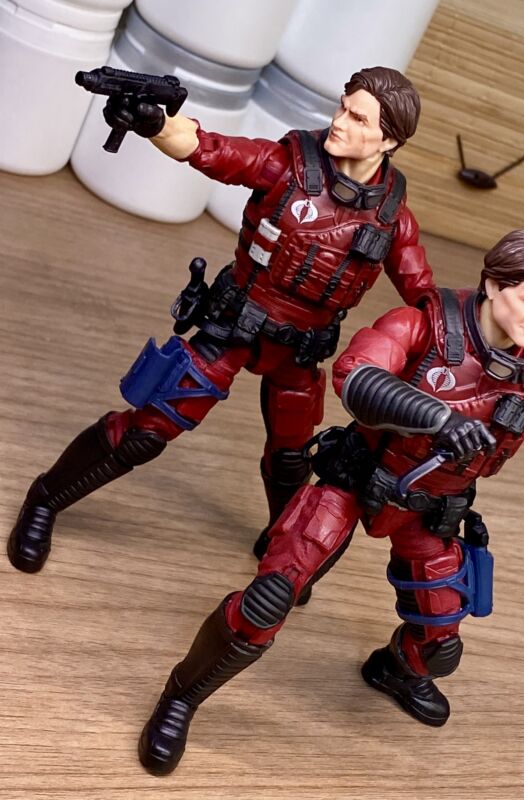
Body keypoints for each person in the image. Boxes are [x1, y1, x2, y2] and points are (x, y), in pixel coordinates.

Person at [136, 229, 524, 776]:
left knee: (439, 649)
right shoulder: (422, 324)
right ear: (492, 284)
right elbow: (355, 375)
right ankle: (181, 696)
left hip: (431, 507)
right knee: (269, 599)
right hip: (359, 476)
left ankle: (394, 670)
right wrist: (437, 417)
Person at [8, 66, 435, 574]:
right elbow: (210, 149)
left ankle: (282, 549)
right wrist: (155, 123)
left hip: (300, 352)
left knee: (293, 459)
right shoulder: (288, 165)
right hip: (234, 326)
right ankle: (45, 498)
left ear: (389, 140)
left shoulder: (392, 216)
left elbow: (424, 297)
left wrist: (469, 341)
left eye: (358, 118)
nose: (340, 121)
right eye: (343, 107)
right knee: (149, 429)